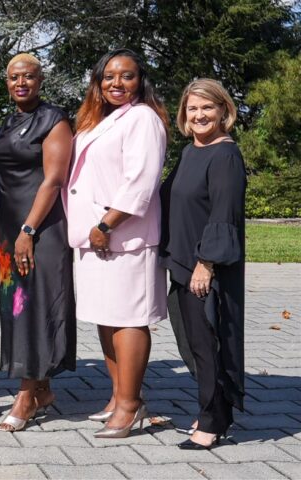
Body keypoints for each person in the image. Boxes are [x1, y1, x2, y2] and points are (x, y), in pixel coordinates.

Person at [66, 48, 168, 438]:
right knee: (106, 316)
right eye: (109, 76)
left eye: (127, 76)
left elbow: (141, 181)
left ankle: (130, 404)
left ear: (140, 81)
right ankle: (117, 395)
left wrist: (106, 224)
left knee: (128, 318)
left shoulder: (143, 118)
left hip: (123, 237)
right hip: (94, 238)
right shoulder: (98, 120)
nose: (117, 83)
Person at [0, 54, 76, 432]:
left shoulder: (53, 120)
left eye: (28, 76)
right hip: (8, 232)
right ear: (7, 83)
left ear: (41, 80)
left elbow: (53, 180)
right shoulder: (9, 121)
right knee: (16, 309)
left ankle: (25, 396)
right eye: (14, 77)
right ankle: (42, 390)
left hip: (39, 229)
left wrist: (28, 231)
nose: (21, 83)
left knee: (36, 308)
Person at [160, 79, 246, 450]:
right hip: (181, 260)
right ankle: (216, 409)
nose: (199, 115)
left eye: (207, 107)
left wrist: (205, 264)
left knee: (208, 342)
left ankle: (211, 422)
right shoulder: (190, 151)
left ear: (224, 110)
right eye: (192, 108)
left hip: (206, 266)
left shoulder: (225, 155)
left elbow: (224, 214)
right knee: (193, 342)